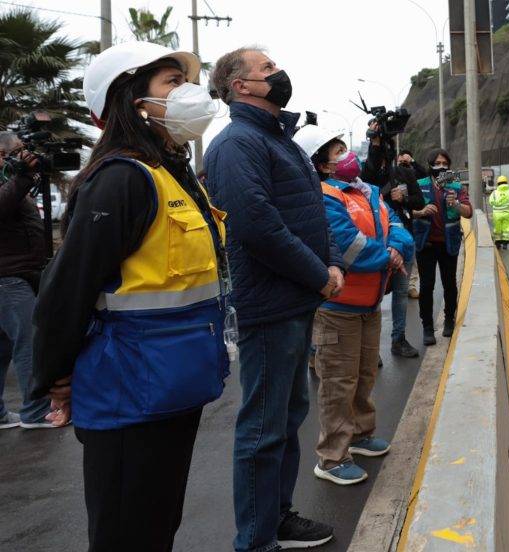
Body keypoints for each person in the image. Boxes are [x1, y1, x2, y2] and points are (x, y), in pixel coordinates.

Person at [31, 41, 228, 551]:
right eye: (170, 83)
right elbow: (67, 289)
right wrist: (56, 376)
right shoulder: (120, 179)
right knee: (127, 534)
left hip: (175, 387)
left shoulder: (173, 176)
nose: (186, 93)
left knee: (158, 527)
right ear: (132, 101)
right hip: (127, 395)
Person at [207, 46, 342, 551]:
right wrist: (318, 274)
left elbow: (307, 213)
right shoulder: (237, 143)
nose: (278, 73)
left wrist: (330, 266)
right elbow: (256, 225)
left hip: (296, 298)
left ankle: (277, 518)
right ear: (240, 86)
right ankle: (256, 540)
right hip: (271, 304)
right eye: (266, 69)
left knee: (286, 421)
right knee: (263, 429)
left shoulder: (275, 139)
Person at [294, 124, 413, 485]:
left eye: (345, 148)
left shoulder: (369, 191)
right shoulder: (324, 196)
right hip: (338, 307)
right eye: (336, 152)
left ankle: (360, 434)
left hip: (369, 303)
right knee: (337, 382)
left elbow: (398, 225)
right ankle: (331, 456)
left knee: (364, 374)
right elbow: (346, 244)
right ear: (322, 165)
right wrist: (389, 257)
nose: (347, 155)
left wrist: (396, 247)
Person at [0, 133, 63, 430]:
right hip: (9, 280)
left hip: (15, 277)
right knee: (29, 343)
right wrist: (24, 177)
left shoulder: (11, 181)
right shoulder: (12, 183)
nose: (25, 157)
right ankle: (36, 411)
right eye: (19, 151)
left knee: (3, 349)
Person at [411, 149, 473, 346]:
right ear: (430, 165)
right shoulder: (419, 185)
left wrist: (455, 204)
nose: (441, 166)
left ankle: (449, 320)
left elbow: (469, 212)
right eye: (437, 163)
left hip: (449, 244)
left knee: (449, 285)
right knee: (427, 286)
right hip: (425, 244)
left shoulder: (456, 186)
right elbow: (405, 211)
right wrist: (420, 212)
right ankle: (427, 328)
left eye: (445, 163)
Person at [382, 150, 425, 358]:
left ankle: (398, 339)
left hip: (404, 240)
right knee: (373, 295)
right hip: (376, 243)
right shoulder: (364, 176)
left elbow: (420, 201)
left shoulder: (404, 174)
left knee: (400, 293)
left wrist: (404, 197)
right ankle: (370, 350)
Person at [395, 149, 427, 299]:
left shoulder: (416, 174)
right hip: (403, 220)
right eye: (400, 162)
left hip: (419, 220)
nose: (402, 165)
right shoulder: (393, 177)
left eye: (404, 162)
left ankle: (412, 285)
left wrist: (412, 162)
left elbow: (425, 174)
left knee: (413, 256)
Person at [489, 175, 509, 249]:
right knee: (506, 228)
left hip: (497, 214)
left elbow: (491, 202)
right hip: (508, 213)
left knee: (497, 228)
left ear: (498, 183)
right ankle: (505, 243)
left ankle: (498, 243)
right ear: (506, 182)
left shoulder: (494, 193)